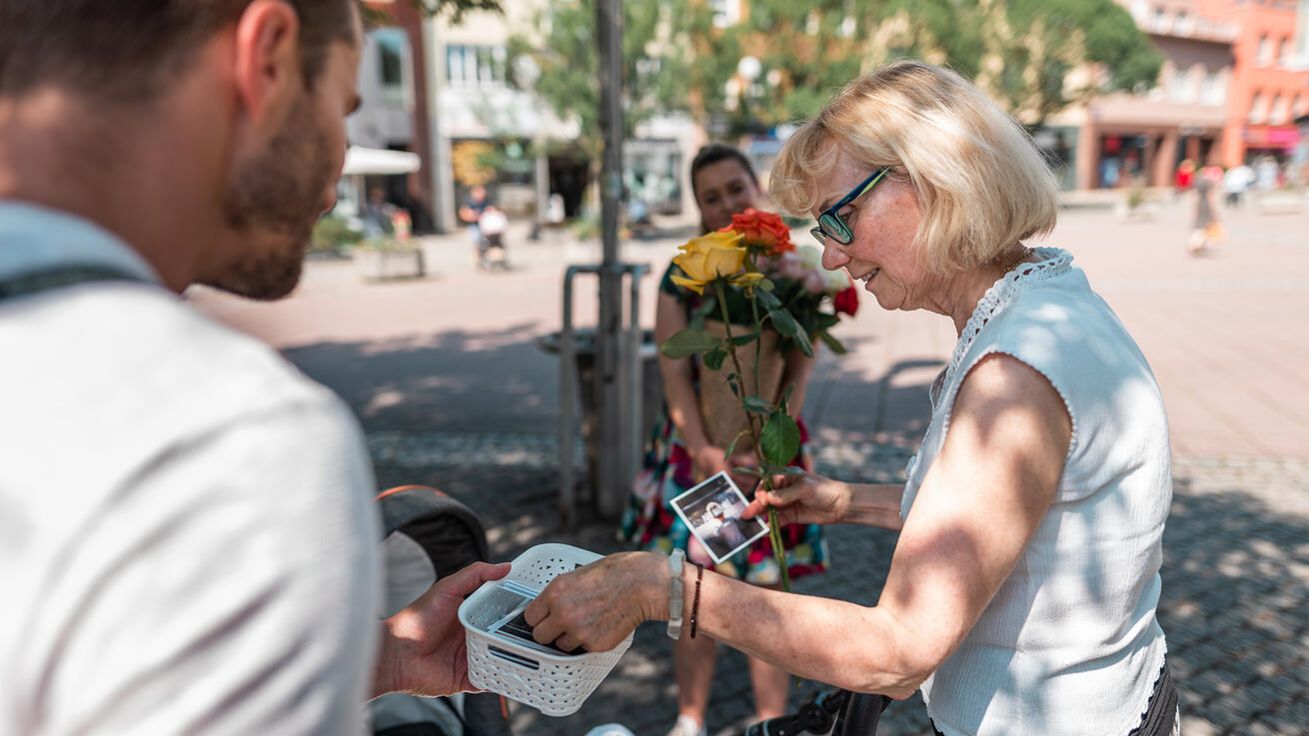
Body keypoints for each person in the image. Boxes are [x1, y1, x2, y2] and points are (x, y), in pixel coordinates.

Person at [527, 61, 1177, 736]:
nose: (832, 256)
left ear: (933, 181)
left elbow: (896, 650)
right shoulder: (1045, 302)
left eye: (839, 217)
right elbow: (1015, 516)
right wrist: (848, 501)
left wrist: (662, 588)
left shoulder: (1013, 372)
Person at [0, 2, 509, 733]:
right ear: (267, 57)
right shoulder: (228, 440)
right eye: (340, 107)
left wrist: (380, 661)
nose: (336, 164)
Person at [619, 143, 828, 736]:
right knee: (699, 595)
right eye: (711, 197)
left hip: (768, 452)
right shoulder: (684, 271)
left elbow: (800, 365)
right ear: (699, 208)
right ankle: (690, 719)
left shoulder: (791, 268)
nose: (726, 203)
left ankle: (771, 721)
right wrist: (704, 451)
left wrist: (774, 445)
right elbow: (673, 373)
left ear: (754, 187)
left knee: (763, 597)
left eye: (735, 188)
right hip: (702, 457)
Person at [1190, 165, 1222, 255]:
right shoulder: (1208, 183)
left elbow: (1194, 194)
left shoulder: (1197, 181)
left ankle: (1198, 244)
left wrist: (1193, 207)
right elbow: (1210, 196)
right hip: (1206, 205)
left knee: (1200, 225)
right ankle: (1196, 244)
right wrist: (1214, 210)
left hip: (1199, 204)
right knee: (1205, 225)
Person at [458, 184, 491, 259]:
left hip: (485, 225)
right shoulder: (469, 202)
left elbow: (491, 210)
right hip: (474, 225)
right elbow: (463, 213)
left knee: (486, 242)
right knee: (476, 242)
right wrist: (473, 216)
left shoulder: (486, 201)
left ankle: (484, 257)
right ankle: (478, 258)